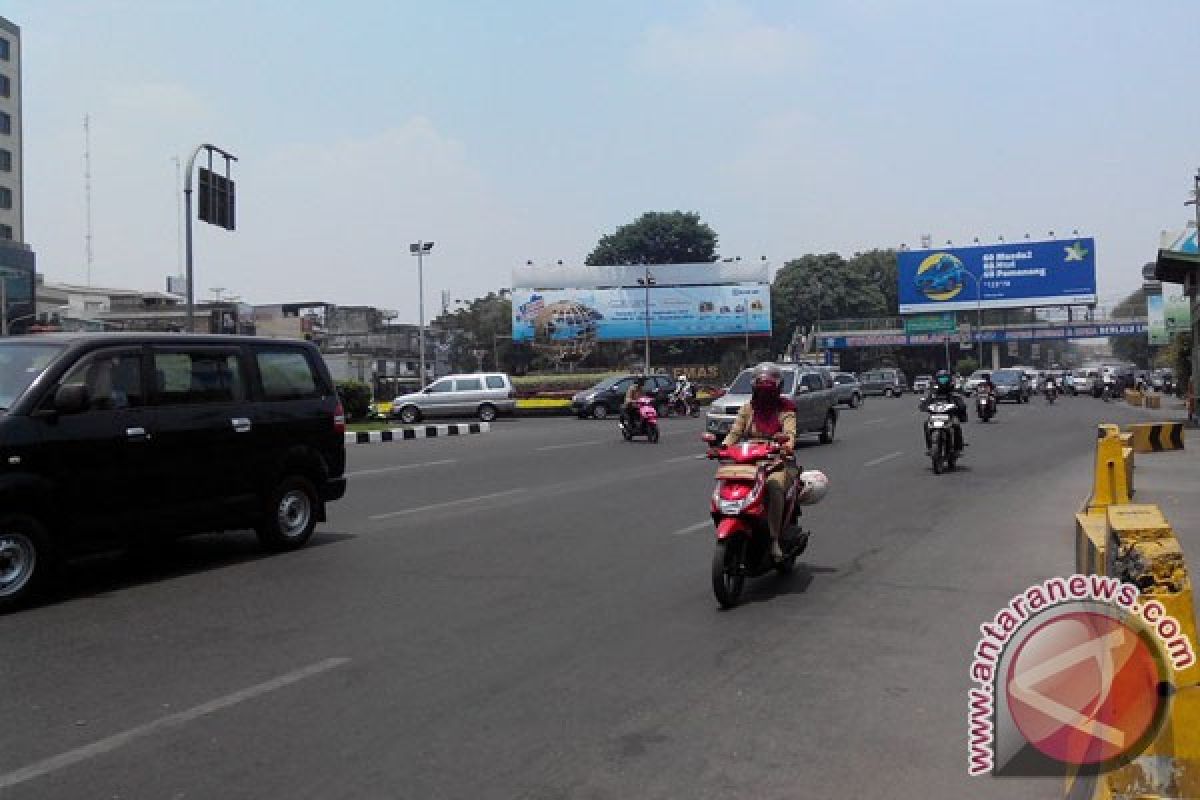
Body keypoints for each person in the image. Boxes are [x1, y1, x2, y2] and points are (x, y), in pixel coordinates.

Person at [721, 362, 797, 560]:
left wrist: (786, 445)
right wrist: (722, 447)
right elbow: (735, 432)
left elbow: (790, 434)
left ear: (777, 390)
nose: (764, 396)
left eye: (768, 391)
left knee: (773, 487)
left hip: (778, 460)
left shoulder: (786, 409)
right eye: (761, 391)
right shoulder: (748, 409)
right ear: (755, 389)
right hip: (750, 460)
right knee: (732, 484)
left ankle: (774, 540)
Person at [920, 369, 968, 453]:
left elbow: (960, 402)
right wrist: (923, 405)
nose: (943, 381)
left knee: (956, 424)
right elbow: (927, 400)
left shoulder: (952, 390)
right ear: (937, 380)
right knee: (926, 424)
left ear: (948, 379)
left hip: (949, 415)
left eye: (944, 379)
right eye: (941, 379)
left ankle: (957, 447)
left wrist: (960, 407)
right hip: (935, 415)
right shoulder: (934, 391)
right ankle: (930, 447)